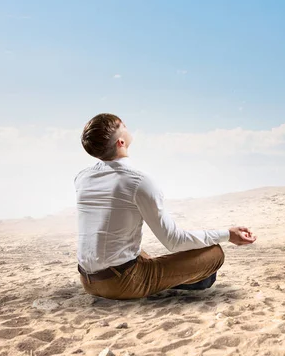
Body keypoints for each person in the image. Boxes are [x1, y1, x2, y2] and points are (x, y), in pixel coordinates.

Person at [74, 113, 257, 299]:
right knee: (214, 253)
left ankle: (176, 276)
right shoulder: (138, 181)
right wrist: (229, 234)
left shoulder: (82, 178)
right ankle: (186, 281)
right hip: (120, 283)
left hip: (88, 280)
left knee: (136, 251)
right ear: (121, 142)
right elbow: (174, 241)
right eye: (125, 126)